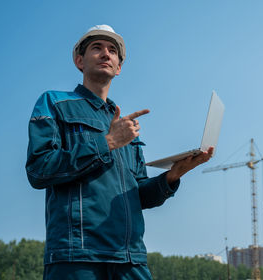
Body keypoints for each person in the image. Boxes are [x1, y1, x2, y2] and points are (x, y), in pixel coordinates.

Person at [26, 24, 213, 280]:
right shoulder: (55, 103)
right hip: (77, 257)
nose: (106, 53)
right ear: (79, 61)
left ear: (119, 67)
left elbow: (139, 195)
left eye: (113, 50)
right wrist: (108, 142)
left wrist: (173, 176)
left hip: (130, 259)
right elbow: (39, 169)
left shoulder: (127, 127)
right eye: (97, 48)